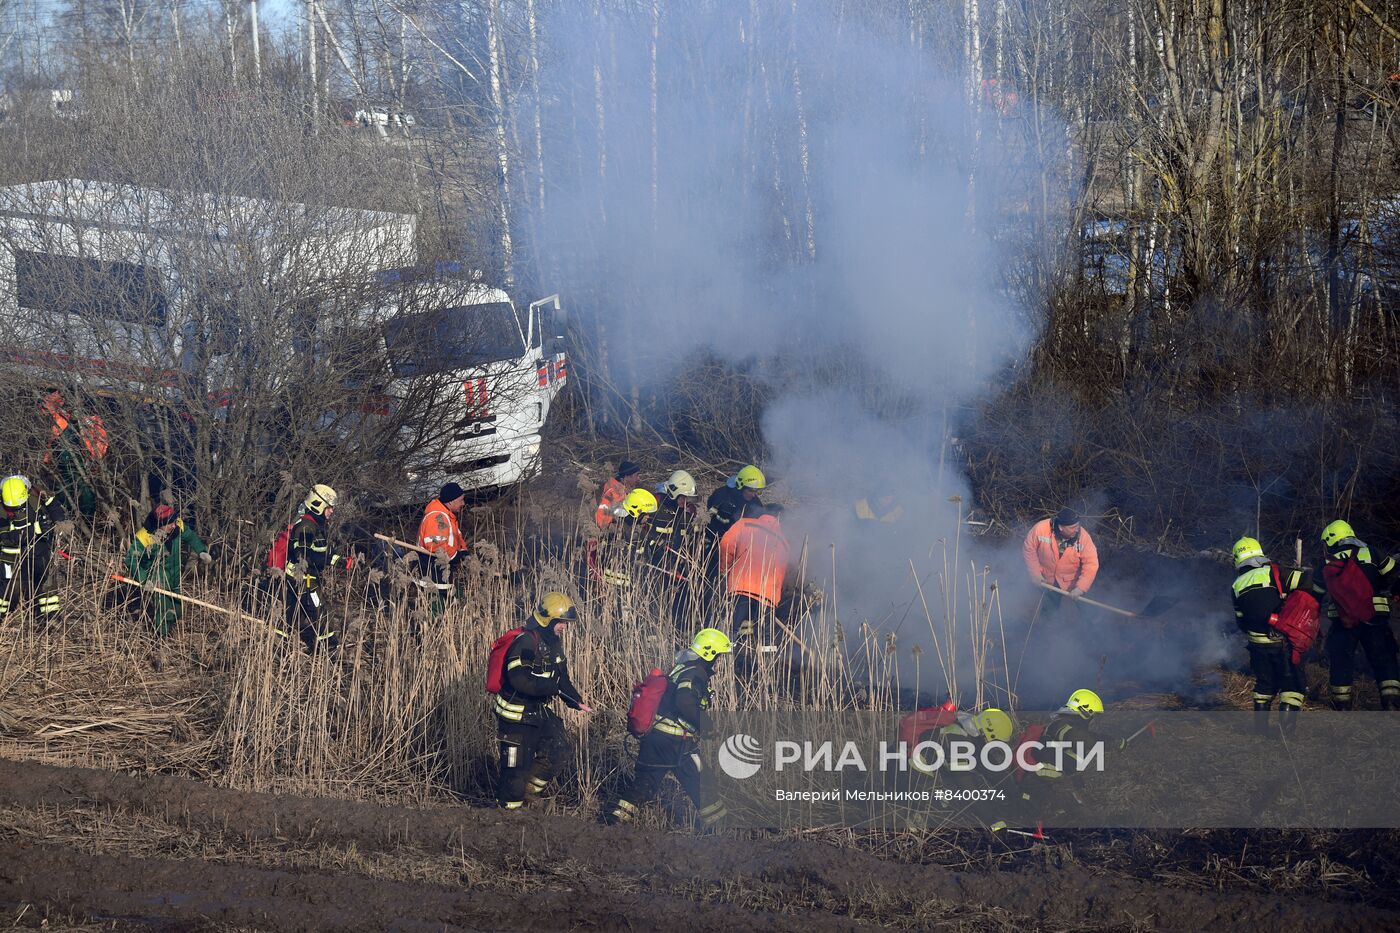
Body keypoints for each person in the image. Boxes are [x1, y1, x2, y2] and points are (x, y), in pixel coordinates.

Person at [608, 628, 732, 830]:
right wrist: (706, 724)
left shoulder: (682, 667)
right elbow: (684, 701)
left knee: (644, 785)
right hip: (677, 743)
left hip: (657, 740)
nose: (719, 660)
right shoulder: (695, 673)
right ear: (709, 653)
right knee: (702, 782)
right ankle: (721, 829)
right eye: (718, 655)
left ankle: (614, 823)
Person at [494, 592, 591, 810]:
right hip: (516, 717)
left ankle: (529, 795)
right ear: (548, 620)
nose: (564, 627)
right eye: (561, 622)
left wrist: (576, 701)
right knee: (515, 774)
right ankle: (509, 817)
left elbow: (560, 677)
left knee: (559, 750)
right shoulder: (526, 642)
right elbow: (519, 679)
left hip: (538, 711)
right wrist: (551, 688)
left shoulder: (553, 643)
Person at [1310, 520, 1400, 710]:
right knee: (1384, 657)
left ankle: (1342, 703)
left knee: (1341, 660)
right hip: (1376, 617)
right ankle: (1391, 700)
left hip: (1343, 621)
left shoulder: (1326, 562)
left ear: (1331, 539)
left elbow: (1314, 595)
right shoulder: (1373, 553)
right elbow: (1394, 576)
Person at [1229, 537, 1309, 731]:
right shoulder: (1275, 572)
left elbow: (1241, 620)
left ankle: (1260, 728)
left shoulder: (1236, 585)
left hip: (1257, 645)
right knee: (1291, 685)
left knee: (1264, 684)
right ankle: (1286, 731)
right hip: (1282, 642)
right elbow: (1306, 582)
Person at [123, 503, 211, 636]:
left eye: (175, 522)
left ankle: (168, 632)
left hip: (175, 574)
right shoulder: (145, 536)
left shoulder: (177, 524)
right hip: (158, 577)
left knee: (177, 610)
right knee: (164, 611)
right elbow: (131, 560)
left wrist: (201, 551)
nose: (174, 525)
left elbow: (190, 536)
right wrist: (143, 579)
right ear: (160, 524)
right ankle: (160, 640)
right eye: (170, 524)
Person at [718, 501, 790, 649]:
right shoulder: (784, 541)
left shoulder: (745, 524)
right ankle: (766, 668)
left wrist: (725, 569)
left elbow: (726, 543)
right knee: (766, 638)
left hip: (741, 586)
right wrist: (774, 598)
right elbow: (782, 571)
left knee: (732, 630)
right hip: (767, 595)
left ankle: (725, 662)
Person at [283, 484, 345, 655]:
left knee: (292, 614)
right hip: (302, 579)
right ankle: (330, 649)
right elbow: (304, 556)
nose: (331, 511)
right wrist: (333, 561)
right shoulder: (305, 527)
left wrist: (337, 558)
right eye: (329, 507)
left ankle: (281, 647)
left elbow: (320, 551)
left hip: (307, 579)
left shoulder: (317, 527)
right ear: (318, 504)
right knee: (319, 611)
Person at [0, 474, 69, 619]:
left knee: (46, 581)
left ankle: (51, 617)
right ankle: (3, 616)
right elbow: (7, 536)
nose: (15, 509)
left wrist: (58, 523)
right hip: (10, 554)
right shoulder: (1, 510)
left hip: (38, 547)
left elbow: (53, 504)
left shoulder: (36, 493)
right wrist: (36, 530)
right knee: (9, 589)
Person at [40, 388, 107, 521]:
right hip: (71, 453)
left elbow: (99, 445)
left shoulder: (89, 421)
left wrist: (93, 457)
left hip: (82, 456)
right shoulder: (63, 415)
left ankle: (84, 520)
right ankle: (70, 519)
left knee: (82, 489)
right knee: (69, 486)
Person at [1022, 508, 1098, 610]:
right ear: (1061, 527)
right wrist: (1035, 574)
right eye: (1073, 527)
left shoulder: (1083, 537)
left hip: (1074, 580)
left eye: (1077, 525)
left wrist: (1081, 588)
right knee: (1049, 611)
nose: (1077, 529)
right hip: (1048, 580)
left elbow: (1091, 564)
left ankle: (1093, 623)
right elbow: (1029, 549)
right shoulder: (1041, 529)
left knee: (1088, 611)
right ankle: (1048, 625)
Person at [417, 481, 468, 617]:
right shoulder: (437, 517)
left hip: (443, 570)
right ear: (451, 502)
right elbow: (435, 544)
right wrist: (454, 555)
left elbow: (456, 537)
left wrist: (463, 552)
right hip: (432, 570)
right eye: (461, 500)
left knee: (458, 596)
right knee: (435, 610)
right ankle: (428, 632)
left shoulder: (448, 515)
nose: (463, 504)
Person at [601, 488, 658, 588]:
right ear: (635, 511)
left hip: (628, 587)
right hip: (616, 587)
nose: (648, 517)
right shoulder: (618, 530)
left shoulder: (632, 526)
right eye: (646, 514)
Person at [705, 464, 765, 543]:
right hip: (717, 540)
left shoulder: (755, 501)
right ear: (740, 486)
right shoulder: (722, 495)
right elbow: (711, 510)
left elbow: (761, 521)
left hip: (744, 542)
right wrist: (725, 516)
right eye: (750, 491)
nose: (754, 495)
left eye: (757, 491)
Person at [595, 461, 641, 529]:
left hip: (604, 525)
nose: (638, 478)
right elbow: (624, 516)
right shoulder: (616, 492)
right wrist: (640, 519)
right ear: (627, 476)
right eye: (636, 475)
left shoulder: (615, 486)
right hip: (604, 529)